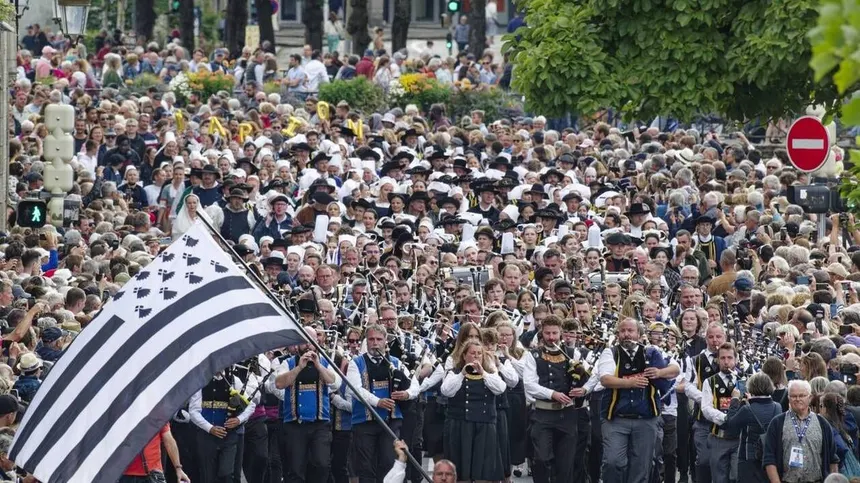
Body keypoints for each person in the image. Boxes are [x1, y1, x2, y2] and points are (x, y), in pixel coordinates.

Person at [597, 317, 679, 483]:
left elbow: (675, 369)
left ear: (640, 335)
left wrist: (659, 372)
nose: (626, 334)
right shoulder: (610, 352)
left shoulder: (651, 352)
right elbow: (605, 379)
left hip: (646, 419)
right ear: (618, 334)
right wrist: (629, 383)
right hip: (616, 419)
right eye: (622, 331)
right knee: (613, 462)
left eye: (630, 331)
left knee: (641, 467)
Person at [440, 339, 506, 481]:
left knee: (483, 468)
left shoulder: (491, 372)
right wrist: (462, 374)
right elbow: (446, 391)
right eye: (472, 353)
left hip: (485, 425)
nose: (476, 356)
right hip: (460, 424)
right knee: (461, 468)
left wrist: (484, 373)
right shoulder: (454, 372)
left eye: (479, 353)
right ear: (464, 356)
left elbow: (500, 388)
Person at [763, 380, 840, 483]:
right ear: (788, 398)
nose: (798, 399)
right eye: (793, 396)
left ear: (809, 397)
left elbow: (832, 459)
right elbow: (769, 458)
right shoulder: (777, 423)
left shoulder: (822, 423)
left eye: (802, 395)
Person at [721, 372, 783, 483]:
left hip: (748, 461)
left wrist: (734, 400)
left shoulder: (747, 410)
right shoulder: (777, 407)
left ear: (751, 387)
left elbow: (730, 426)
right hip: (770, 459)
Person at [120, 423, 190, 483]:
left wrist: (178, 468)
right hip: (126, 473)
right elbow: (169, 441)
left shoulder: (157, 414)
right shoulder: (156, 414)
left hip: (150, 473)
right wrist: (178, 468)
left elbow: (169, 441)